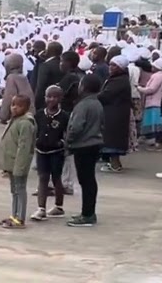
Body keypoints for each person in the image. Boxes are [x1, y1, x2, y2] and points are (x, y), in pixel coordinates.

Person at [65, 74, 105, 227]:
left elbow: (76, 126)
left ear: (84, 87)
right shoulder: (97, 104)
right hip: (95, 143)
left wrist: (68, 140)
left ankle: (87, 214)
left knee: (86, 181)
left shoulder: (83, 105)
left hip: (83, 145)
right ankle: (88, 212)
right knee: (89, 180)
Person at [0, 94, 36, 229]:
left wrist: (20, 167)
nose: (14, 108)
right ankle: (14, 215)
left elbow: (24, 148)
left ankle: (20, 218)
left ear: (26, 107)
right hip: (12, 163)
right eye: (13, 105)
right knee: (14, 190)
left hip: (19, 164)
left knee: (20, 190)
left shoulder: (25, 123)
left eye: (19, 106)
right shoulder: (15, 120)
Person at [32, 85, 70, 221]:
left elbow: (68, 133)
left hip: (56, 152)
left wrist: (63, 143)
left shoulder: (64, 116)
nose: (51, 99)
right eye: (49, 96)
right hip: (41, 151)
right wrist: (36, 141)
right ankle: (41, 209)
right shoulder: (39, 114)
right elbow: (35, 130)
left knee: (56, 178)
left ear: (60, 98)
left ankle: (58, 206)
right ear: (45, 97)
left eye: (55, 97)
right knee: (43, 178)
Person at [98, 57, 132, 173]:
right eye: (110, 65)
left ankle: (115, 164)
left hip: (115, 114)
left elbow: (106, 95)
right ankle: (114, 163)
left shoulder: (119, 81)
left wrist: (93, 96)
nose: (111, 67)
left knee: (113, 140)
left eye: (114, 65)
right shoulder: (118, 78)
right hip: (114, 112)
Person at [0, 53, 33, 123]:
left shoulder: (11, 77)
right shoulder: (23, 77)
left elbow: (9, 98)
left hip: (20, 115)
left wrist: (3, 116)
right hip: (29, 113)